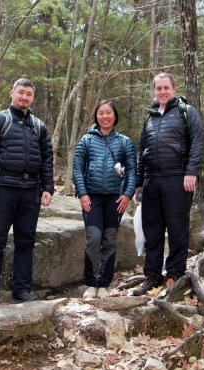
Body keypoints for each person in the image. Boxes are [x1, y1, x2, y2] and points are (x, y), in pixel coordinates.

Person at [0, 78, 54, 306]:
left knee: (26, 241)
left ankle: (22, 290)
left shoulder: (39, 126)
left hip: (31, 190)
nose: (25, 97)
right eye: (21, 93)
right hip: (2, 188)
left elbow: (47, 159)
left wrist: (47, 187)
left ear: (33, 98)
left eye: (29, 94)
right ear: (12, 93)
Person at [133, 73, 204, 296]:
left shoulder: (187, 112)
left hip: (178, 179)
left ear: (174, 88)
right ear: (154, 90)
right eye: (158, 88)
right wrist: (138, 183)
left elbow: (198, 142)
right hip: (152, 181)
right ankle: (152, 276)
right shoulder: (150, 116)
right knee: (152, 231)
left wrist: (191, 171)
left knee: (177, 229)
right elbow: (142, 151)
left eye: (166, 88)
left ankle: (174, 275)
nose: (162, 92)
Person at [73, 100, 136, 299]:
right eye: (101, 113)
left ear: (114, 116)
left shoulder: (124, 142)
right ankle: (91, 282)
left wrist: (127, 195)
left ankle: (104, 283)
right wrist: (82, 194)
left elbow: (133, 170)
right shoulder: (86, 141)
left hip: (115, 199)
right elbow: (77, 169)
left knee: (109, 240)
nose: (105, 116)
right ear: (96, 116)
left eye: (108, 113)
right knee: (94, 238)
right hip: (92, 198)